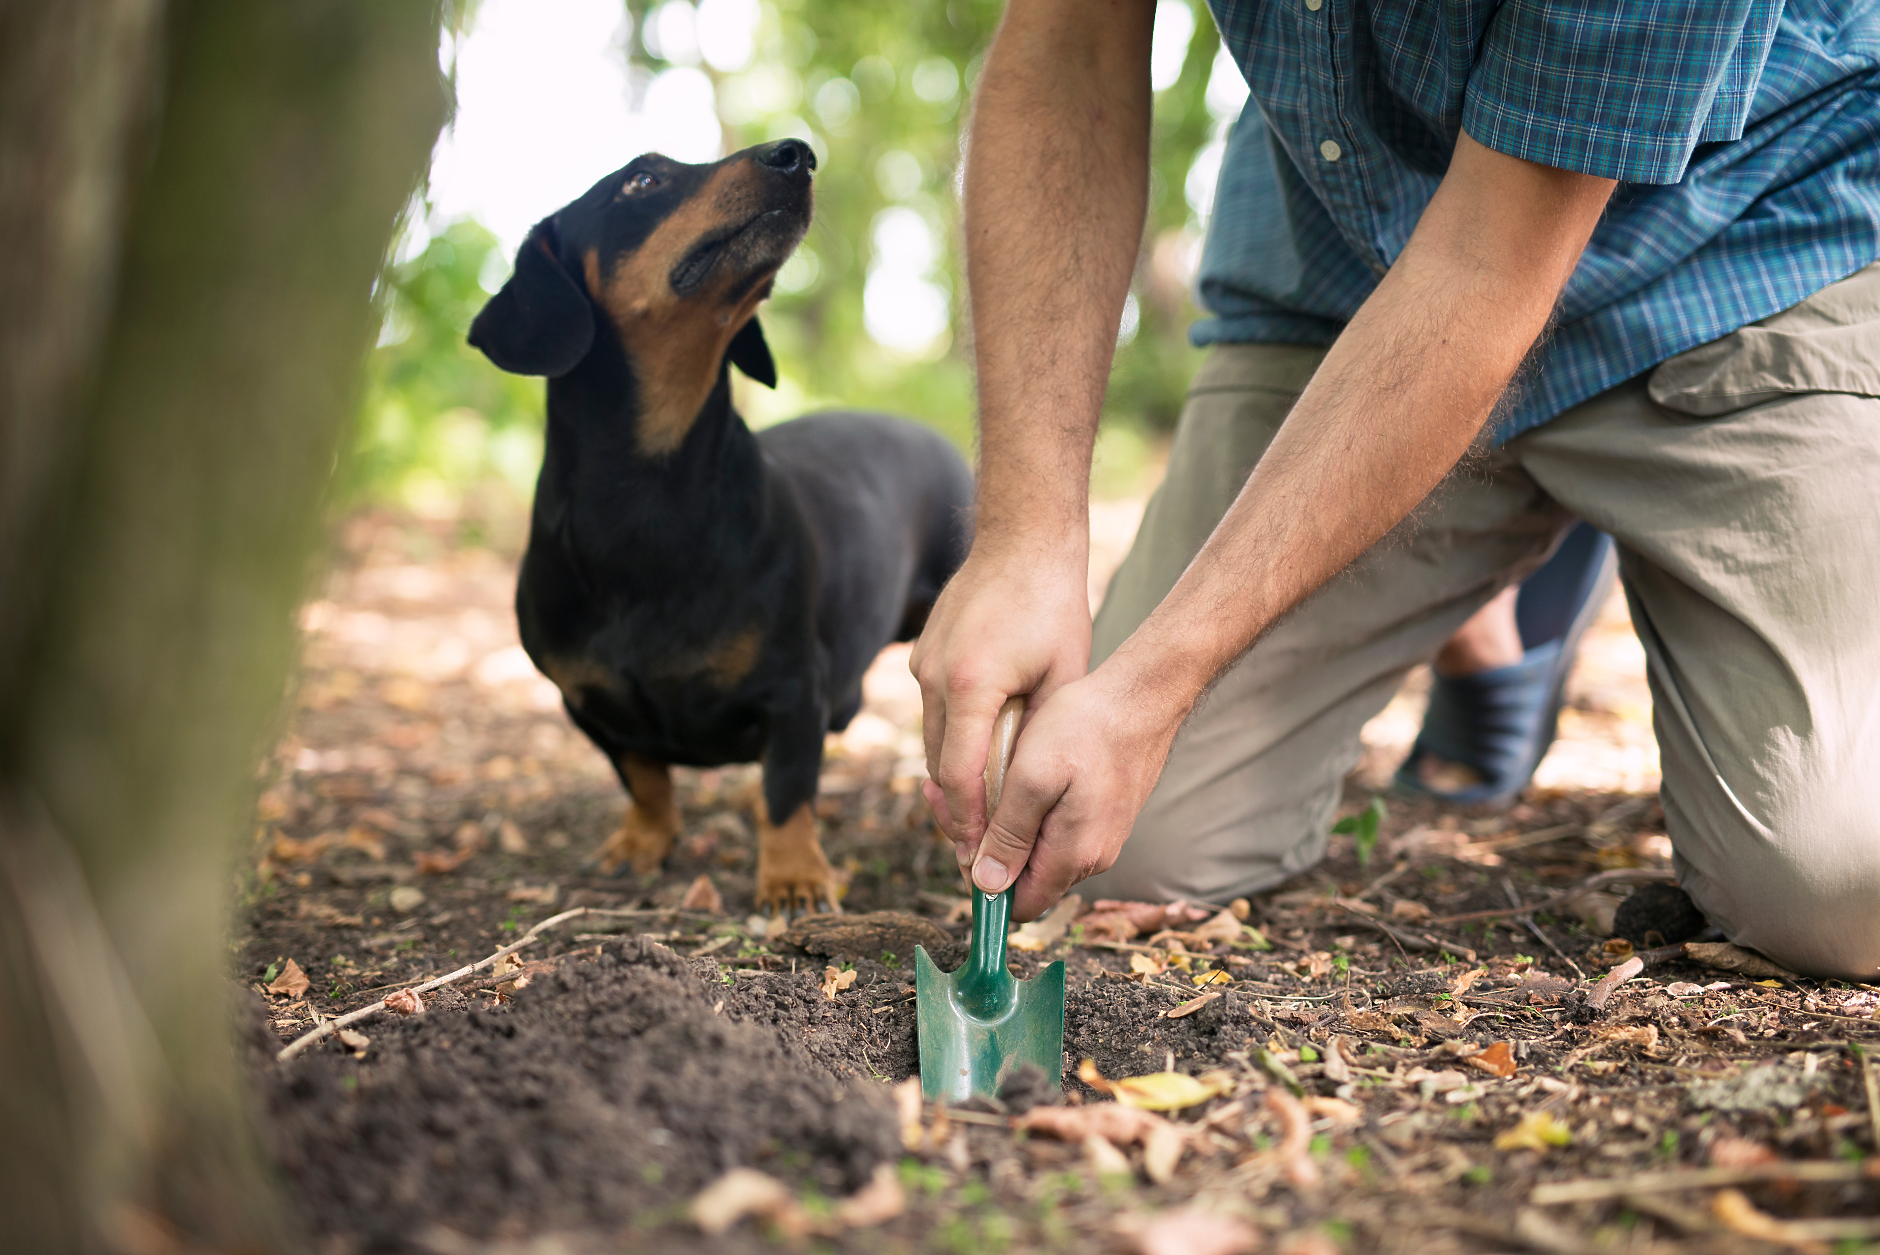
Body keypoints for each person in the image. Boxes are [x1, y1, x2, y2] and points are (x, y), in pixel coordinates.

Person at [911, 0, 1880, 979]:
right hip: (1342, 266)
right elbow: (1067, 47)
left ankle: (1561, 543)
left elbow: (1485, 262)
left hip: (1733, 255)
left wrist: (1151, 686)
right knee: (1110, 834)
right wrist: (1023, 537)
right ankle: (1484, 611)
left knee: (1843, 889)